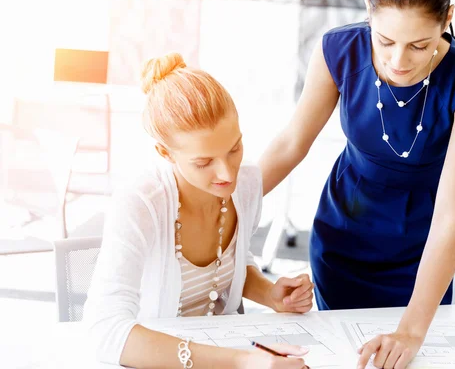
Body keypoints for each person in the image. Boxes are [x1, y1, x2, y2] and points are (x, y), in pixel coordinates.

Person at [258, 0, 455, 367]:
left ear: (448, 17)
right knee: (340, 355)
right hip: (343, 232)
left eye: (419, 45)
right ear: (369, 12)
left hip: (422, 249)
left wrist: (412, 330)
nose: (398, 61)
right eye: (384, 40)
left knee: (411, 357)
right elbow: (290, 143)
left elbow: (452, 219)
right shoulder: (339, 49)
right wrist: (226, 201)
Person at [84, 52, 314, 369]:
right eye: (203, 162)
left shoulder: (246, 184)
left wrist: (270, 294)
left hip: (236, 347)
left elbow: (232, 264)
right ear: (165, 153)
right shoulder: (141, 202)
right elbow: (105, 333)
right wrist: (243, 363)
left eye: (234, 148)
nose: (227, 174)